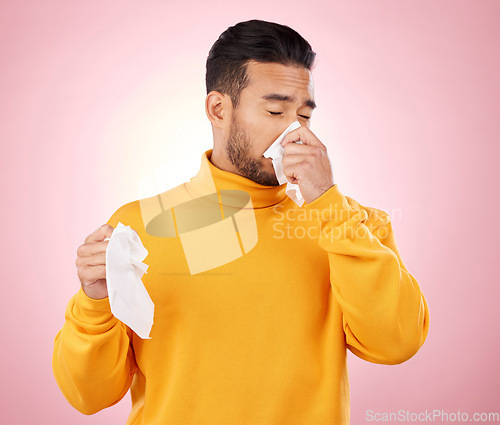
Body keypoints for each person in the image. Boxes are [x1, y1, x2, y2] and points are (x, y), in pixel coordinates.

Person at [52, 19, 429, 425]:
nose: (294, 132)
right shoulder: (138, 227)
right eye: (275, 110)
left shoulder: (352, 225)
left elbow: (396, 344)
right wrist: (95, 303)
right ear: (218, 109)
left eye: (304, 114)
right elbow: (88, 396)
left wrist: (328, 206)